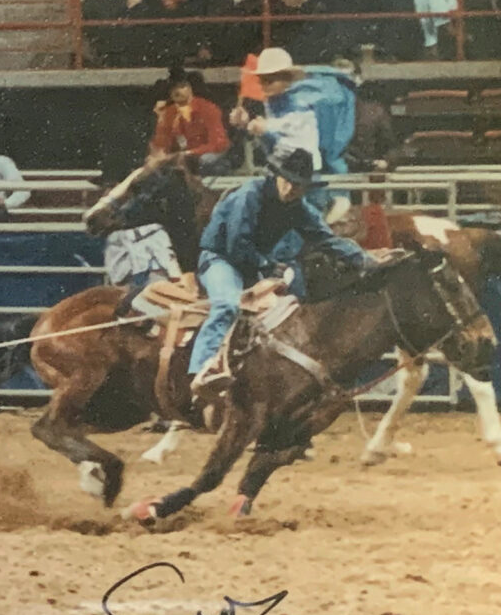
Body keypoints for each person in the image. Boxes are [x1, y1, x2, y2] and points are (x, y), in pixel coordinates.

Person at [188, 144, 374, 406]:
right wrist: (268, 265)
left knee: (287, 315)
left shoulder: (299, 208)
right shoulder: (249, 196)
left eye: (299, 185)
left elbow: (326, 239)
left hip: (255, 266)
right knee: (227, 304)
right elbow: (235, 245)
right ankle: (201, 372)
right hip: (221, 260)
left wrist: (364, 259)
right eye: (289, 181)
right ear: (276, 176)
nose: (292, 189)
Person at [232, 46, 357, 218]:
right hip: (281, 171)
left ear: (287, 79)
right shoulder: (272, 102)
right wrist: (245, 123)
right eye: (262, 80)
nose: (264, 85)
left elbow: (293, 131)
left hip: (303, 175)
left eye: (270, 80)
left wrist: (264, 128)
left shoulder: (301, 101)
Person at [149, 65, 228, 159]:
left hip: (204, 157)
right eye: (173, 88)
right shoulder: (168, 113)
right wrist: (158, 154)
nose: (177, 91)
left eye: (182, 86)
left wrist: (190, 153)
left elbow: (219, 144)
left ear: (191, 89)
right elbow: (161, 143)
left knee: (206, 160)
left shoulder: (208, 109)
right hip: (179, 159)